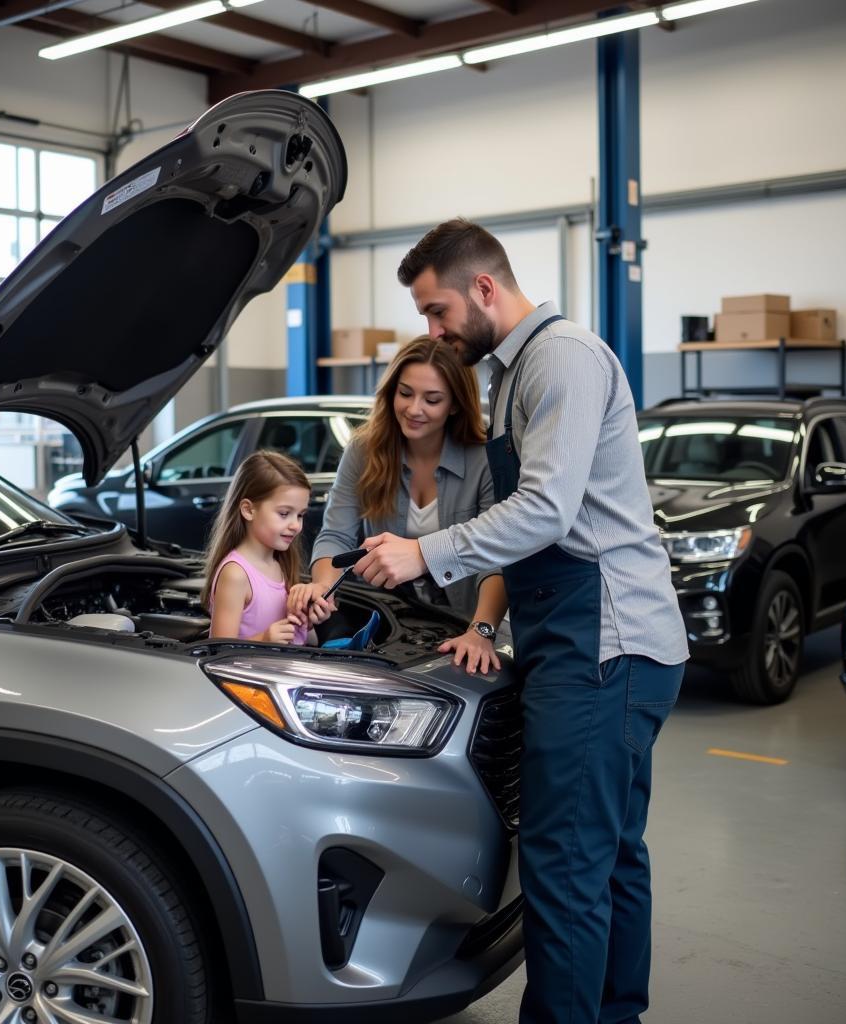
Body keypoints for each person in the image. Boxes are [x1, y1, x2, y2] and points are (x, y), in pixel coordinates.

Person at [353, 219, 689, 1024]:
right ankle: (614, 1014)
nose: (431, 333)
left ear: (484, 289)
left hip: (603, 645)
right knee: (609, 859)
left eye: (437, 313)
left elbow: (545, 509)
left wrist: (423, 553)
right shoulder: (515, 371)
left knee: (567, 862)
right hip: (596, 640)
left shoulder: (560, 358)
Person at [289, 335, 508, 674]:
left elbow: (495, 557)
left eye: (432, 399)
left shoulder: (483, 458)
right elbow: (336, 536)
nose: (414, 408)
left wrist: (481, 630)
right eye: (405, 393)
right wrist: (323, 588)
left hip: (465, 624)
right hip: (388, 626)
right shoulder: (363, 451)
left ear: (454, 404)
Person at [205, 451, 332, 644]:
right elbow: (218, 652)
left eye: (300, 515)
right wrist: (264, 639)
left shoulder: (281, 565)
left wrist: (308, 622)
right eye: (284, 513)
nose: (296, 525)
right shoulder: (236, 575)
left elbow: (309, 642)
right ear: (248, 510)